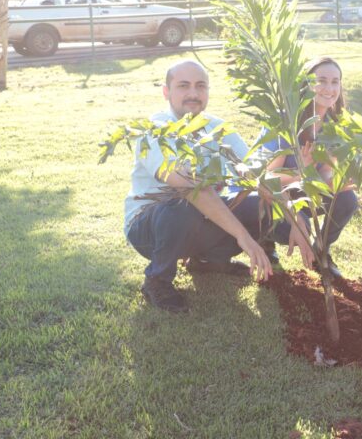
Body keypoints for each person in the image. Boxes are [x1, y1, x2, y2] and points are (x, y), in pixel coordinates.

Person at [125, 60, 311, 313]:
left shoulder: (218, 128)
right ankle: (157, 280)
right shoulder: (155, 130)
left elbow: (256, 176)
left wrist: (295, 214)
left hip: (198, 220)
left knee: (261, 205)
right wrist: (243, 237)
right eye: (183, 86)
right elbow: (191, 188)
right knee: (183, 203)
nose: (193, 93)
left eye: (200, 86)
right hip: (149, 228)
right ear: (166, 92)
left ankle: (207, 261)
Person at [258, 56, 358, 279]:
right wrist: (301, 175)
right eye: (321, 80)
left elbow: (323, 175)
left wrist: (336, 180)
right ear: (306, 83)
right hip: (273, 196)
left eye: (335, 82)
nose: (329, 88)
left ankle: (322, 250)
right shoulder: (285, 121)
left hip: (304, 193)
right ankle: (266, 240)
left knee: (347, 200)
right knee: (288, 226)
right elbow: (267, 178)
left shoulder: (334, 127)